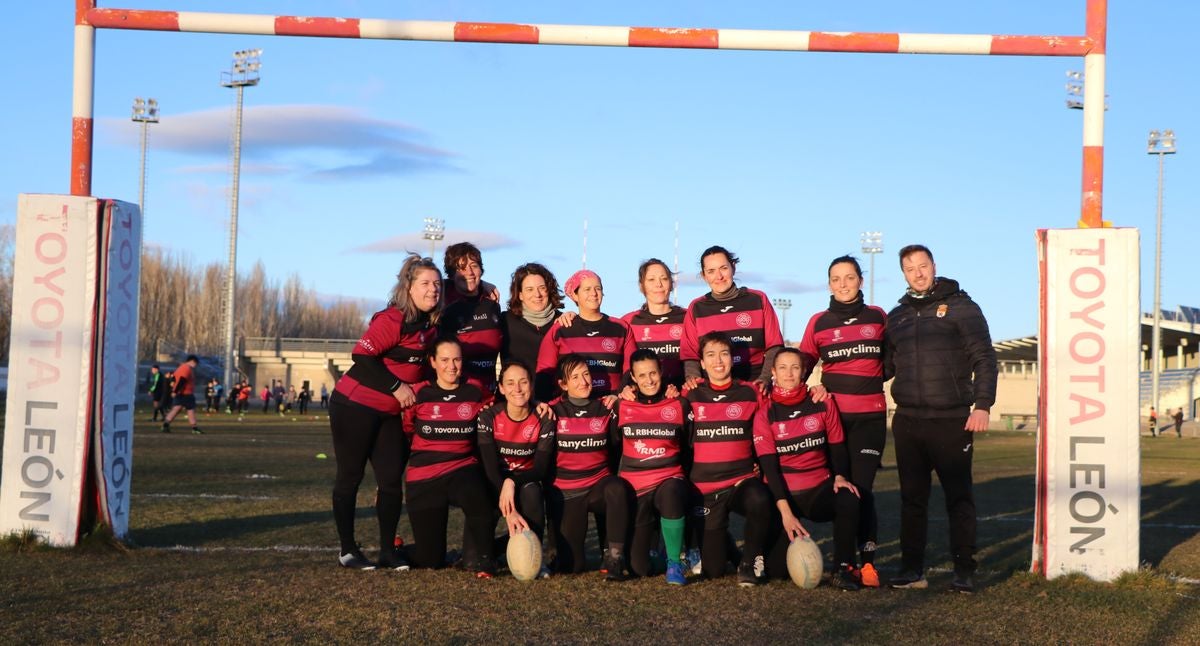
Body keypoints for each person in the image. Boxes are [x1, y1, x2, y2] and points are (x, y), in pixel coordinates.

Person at [884, 244, 997, 594]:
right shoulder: (897, 316)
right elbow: (885, 367)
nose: (917, 273)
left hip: (950, 420)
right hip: (908, 422)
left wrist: (982, 405)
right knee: (912, 499)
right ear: (903, 273)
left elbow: (985, 358)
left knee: (958, 497)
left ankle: (964, 570)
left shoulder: (963, 307)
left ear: (934, 266)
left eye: (922, 265)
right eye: (909, 268)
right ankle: (911, 569)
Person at [328, 253, 442, 571]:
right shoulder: (393, 319)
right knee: (350, 477)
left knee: (391, 480)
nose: (433, 289)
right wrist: (397, 386)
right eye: (425, 283)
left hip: (388, 415)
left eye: (437, 283)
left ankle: (388, 551)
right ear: (408, 286)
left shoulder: (430, 325)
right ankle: (348, 550)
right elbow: (361, 356)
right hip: (354, 407)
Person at [797, 255, 887, 587]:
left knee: (861, 489)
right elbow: (799, 368)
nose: (843, 284)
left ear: (860, 280)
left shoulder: (877, 317)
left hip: (870, 421)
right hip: (832, 422)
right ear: (829, 284)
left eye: (849, 277)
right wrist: (814, 390)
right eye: (836, 279)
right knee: (841, 490)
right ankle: (845, 563)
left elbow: (890, 362)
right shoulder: (818, 323)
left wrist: (868, 383)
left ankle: (867, 564)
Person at [758, 348, 862, 591]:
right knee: (776, 572)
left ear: (804, 371)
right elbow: (770, 468)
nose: (789, 373)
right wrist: (785, 512)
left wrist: (839, 476)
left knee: (849, 497)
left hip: (817, 490)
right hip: (784, 498)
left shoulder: (822, 402)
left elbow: (837, 447)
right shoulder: (765, 412)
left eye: (795, 367)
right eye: (782, 368)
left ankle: (843, 568)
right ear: (773, 372)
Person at [685, 332, 774, 586]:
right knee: (712, 570)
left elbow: (772, 420)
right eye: (710, 355)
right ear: (701, 363)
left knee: (759, 497)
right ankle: (733, 553)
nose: (718, 361)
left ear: (732, 359)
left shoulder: (751, 392)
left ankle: (749, 562)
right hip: (705, 489)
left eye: (724, 354)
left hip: (740, 481)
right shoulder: (689, 395)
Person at [404, 337, 497, 577]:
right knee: (430, 560)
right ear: (433, 362)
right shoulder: (418, 393)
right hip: (424, 477)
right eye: (444, 360)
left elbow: (497, 409)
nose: (451, 366)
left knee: (480, 500)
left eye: (456, 359)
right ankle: (399, 549)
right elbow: (404, 431)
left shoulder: (476, 390)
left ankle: (485, 560)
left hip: (461, 468)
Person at [547, 354, 632, 580]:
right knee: (571, 566)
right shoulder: (551, 411)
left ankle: (614, 557)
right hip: (568, 492)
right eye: (575, 377)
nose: (584, 381)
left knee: (617, 487)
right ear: (563, 384)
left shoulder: (604, 406)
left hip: (598, 487)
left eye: (586, 374)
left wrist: (622, 398)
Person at [611, 349, 691, 585]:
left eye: (653, 373)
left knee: (672, 491)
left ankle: (675, 563)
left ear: (662, 372)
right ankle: (663, 553)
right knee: (639, 567)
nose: (649, 380)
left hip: (670, 480)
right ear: (633, 378)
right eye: (642, 375)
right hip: (637, 490)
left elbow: (690, 448)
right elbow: (613, 448)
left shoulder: (678, 404)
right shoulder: (622, 407)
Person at [476, 360, 556, 579]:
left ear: (531, 385)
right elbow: (490, 468)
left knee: (532, 491)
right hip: (496, 482)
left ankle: (536, 558)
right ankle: (491, 553)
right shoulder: (488, 417)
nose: (517, 389)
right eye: (510, 383)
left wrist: (513, 482)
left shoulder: (544, 417)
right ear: (501, 388)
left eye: (523, 382)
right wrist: (509, 508)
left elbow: (540, 469)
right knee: (472, 558)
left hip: (526, 481)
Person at [680, 245, 784, 395]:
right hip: (712, 390)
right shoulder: (697, 308)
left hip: (754, 387)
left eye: (723, 268)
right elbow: (690, 354)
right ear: (704, 275)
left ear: (733, 267)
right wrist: (695, 381)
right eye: (711, 271)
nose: (719, 276)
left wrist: (765, 379)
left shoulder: (757, 299)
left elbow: (774, 346)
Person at [536, 269, 636, 401]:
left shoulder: (621, 328)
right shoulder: (561, 329)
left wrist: (619, 396)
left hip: (611, 409)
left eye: (598, 288)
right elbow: (544, 372)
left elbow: (632, 368)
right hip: (570, 412)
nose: (594, 293)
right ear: (575, 295)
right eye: (587, 289)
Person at [440, 242, 503, 392]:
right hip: (455, 394)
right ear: (451, 274)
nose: (469, 272)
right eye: (461, 268)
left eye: (474, 266)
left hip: (488, 394)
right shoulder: (442, 300)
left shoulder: (492, 303)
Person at [500, 263, 566, 402]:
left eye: (542, 288)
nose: (537, 294)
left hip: (555, 405)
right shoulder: (505, 321)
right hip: (516, 404)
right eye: (529, 289)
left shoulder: (564, 322)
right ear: (520, 295)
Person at [622, 258, 687, 390]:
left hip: (681, 399)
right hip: (645, 402)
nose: (659, 284)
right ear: (642, 286)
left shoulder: (688, 317)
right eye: (651, 280)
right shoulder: (628, 322)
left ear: (671, 284)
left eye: (664, 279)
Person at [162, 355, 202, 434]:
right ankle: (194, 428)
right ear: (192, 362)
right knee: (190, 410)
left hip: (181, 393)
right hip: (186, 393)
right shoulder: (186, 368)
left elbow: (174, 377)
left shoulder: (180, 367)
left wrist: (174, 390)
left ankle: (165, 425)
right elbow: (182, 380)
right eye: (196, 363)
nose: (195, 366)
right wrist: (175, 391)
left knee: (176, 409)